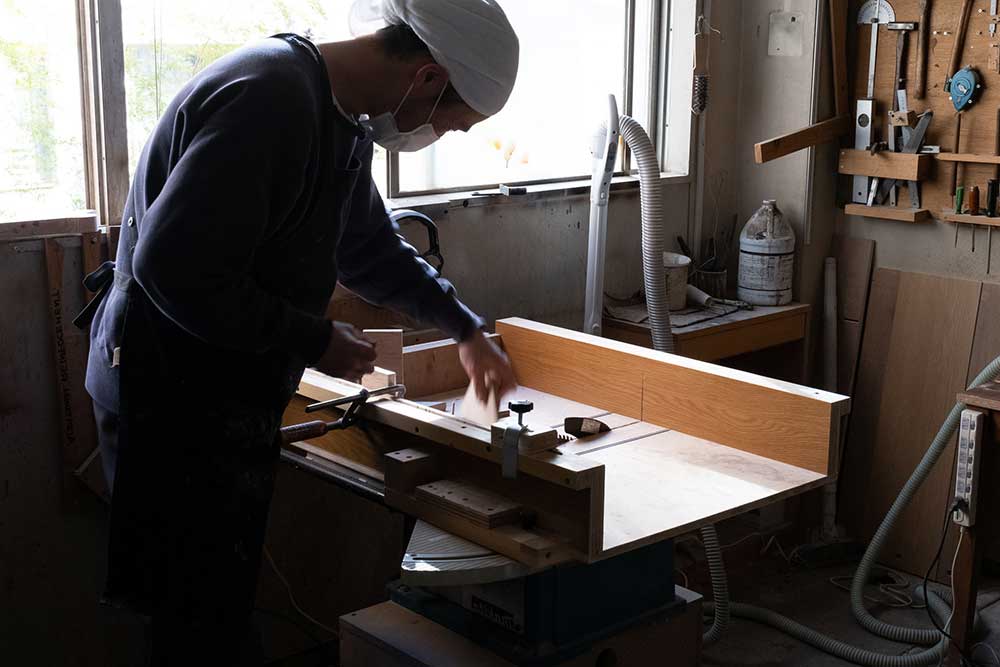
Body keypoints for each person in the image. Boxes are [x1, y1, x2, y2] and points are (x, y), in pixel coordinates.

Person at [79, 0, 519, 663]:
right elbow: (172, 268)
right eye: (457, 122)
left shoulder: (339, 119)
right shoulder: (270, 98)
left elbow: (368, 248)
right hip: (166, 396)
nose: (448, 133)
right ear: (427, 78)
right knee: (194, 623)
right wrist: (315, 340)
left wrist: (465, 328)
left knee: (217, 610)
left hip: (221, 391)